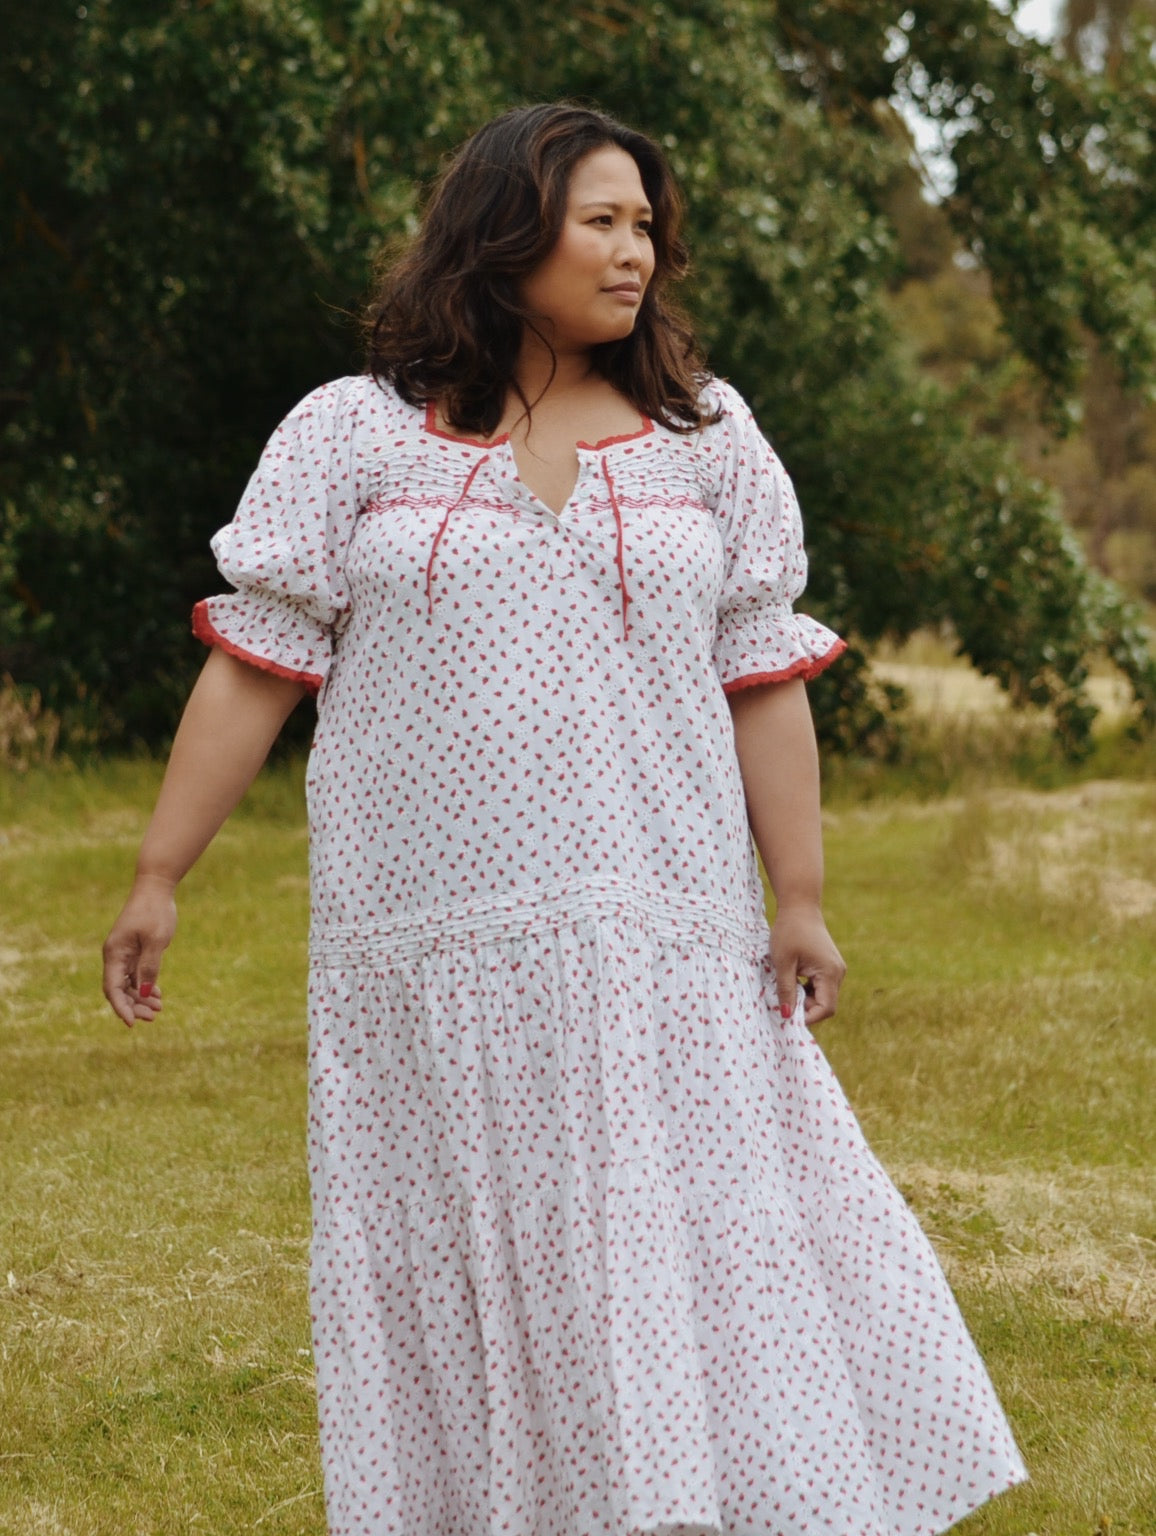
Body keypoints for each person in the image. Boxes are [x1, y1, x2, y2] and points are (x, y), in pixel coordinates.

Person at [103, 103, 1026, 1536]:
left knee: (682, 1247)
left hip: (659, 925)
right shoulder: (349, 435)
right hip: (425, 945)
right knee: (474, 1257)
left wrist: (800, 897)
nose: (634, 251)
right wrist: (160, 873)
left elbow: (761, 677)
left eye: (647, 224)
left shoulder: (705, 437)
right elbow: (256, 668)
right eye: (601, 219)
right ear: (502, 230)